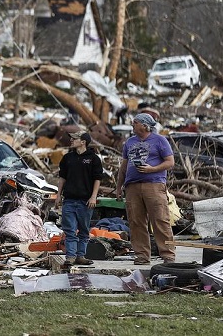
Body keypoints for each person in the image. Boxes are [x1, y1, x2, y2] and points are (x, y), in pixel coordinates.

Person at [116, 112, 176, 265]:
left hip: (154, 185)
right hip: (132, 187)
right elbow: (123, 166)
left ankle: (168, 255)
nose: (132, 124)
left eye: (134, 122)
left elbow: (170, 162)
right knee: (136, 221)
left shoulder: (160, 140)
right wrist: (118, 186)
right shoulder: (129, 142)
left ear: (144, 125)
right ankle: (142, 255)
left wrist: (152, 169)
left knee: (160, 220)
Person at [55, 131, 104, 267]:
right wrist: (59, 194)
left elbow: (97, 179)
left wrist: (94, 196)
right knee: (69, 229)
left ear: (83, 142)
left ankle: (80, 255)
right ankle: (70, 256)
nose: (71, 140)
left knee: (83, 230)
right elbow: (62, 177)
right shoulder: (67, 158)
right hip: (69, 199)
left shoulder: (93, 159)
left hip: (85, 200)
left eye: (75, 138)